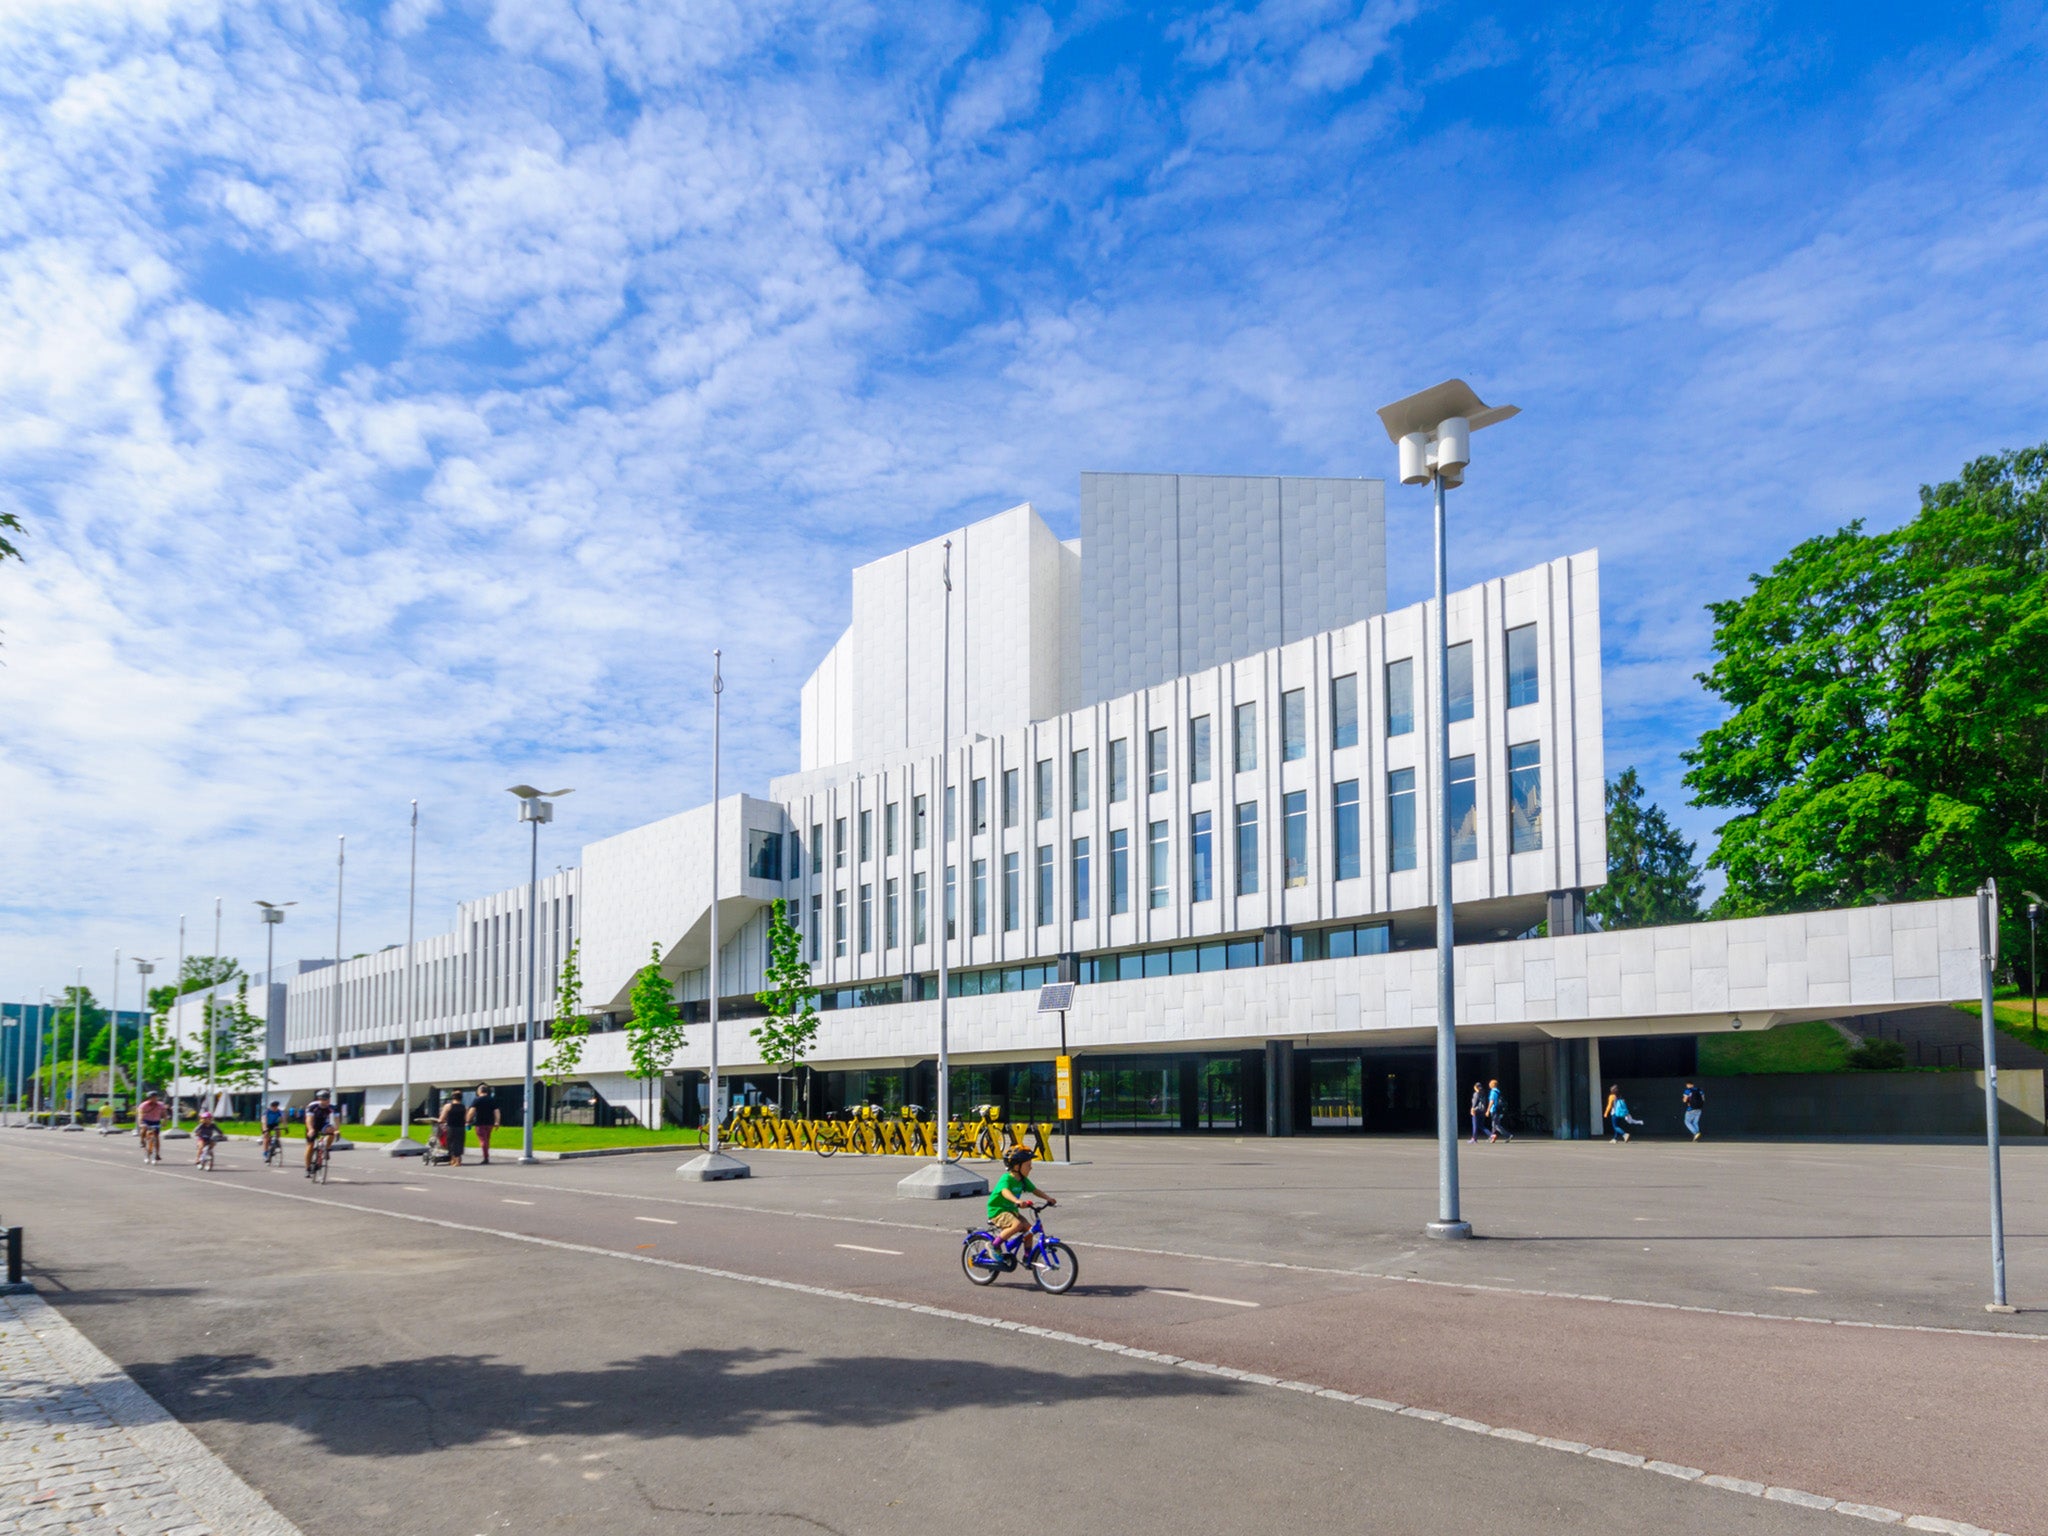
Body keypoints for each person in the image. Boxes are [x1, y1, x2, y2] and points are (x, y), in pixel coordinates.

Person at [987, 1146, 1054, 1267]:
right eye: (1028, 1165)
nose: (1031, 1168)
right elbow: (1004, 1191)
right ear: (1017, 1166)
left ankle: (1027, 1258)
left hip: (1011, 1211)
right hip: (998, 1211)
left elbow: (1035, 1190)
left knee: (1030, 1231)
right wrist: (1017, 1201)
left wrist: (1048, 1198)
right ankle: (993, 1245)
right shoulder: (1006, 1178)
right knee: (1017, 1225)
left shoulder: (1023, 1180)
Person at [304, 1089, 338, 1173]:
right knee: (310, 1146)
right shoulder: (312, 1106)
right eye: (324, 1099)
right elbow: (309, 1119)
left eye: (328, 1099)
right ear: (319, 1099)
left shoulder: (332, 1107)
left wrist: (337, 1130)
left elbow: (337, 1120)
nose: (327, 1101)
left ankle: (326, 1148)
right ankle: (307, 1168)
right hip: (312, 1124)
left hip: (323, 1124)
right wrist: (311, 1130)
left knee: (331, 1131)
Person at [468, 1084, 500, 1164]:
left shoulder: (477, 1100)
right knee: (487, 1139)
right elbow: (496, 1111)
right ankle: (486, 1154)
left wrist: (468, 1120)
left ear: (479, 1091)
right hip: (490, 1123)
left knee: (483, 1140)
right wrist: (497, 1122)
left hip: (480, 1123)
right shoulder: (492, 1100)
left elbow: (471, 1111)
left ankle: (486, 1157)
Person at [438, 1092, 468, 1166]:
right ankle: (457, 1159)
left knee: (451, 1143)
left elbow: (441, 1118)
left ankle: (454, 1160)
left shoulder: (448, 1106)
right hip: (461, 1127)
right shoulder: (465, 1107)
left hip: (451, 1127)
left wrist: (441, 1121)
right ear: (461, 1098)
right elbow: (466, 1118)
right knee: (459, 1143)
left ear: (452, 1098)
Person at [136, 1092, 166, 1162]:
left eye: (155, 1097)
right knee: (144, 1128)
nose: (155, 1099)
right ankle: (142, 1140)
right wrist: (140, 1123)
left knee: (157, 1137)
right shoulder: (143, 1105)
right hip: (146, 1120)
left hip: (156, 1121)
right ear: (149, 1098)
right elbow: (140, 1115)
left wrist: (165, 1122)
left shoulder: (160, 1105)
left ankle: (157, 1154)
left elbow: (164, 1115)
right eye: (153, 1097)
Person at [1486, 1079, 1511, 1143]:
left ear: (1492, 1085)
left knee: (1496, 1125)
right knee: (1494, 1124)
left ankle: (1508, 1135)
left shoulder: (1493, 1092)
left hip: (1494, 1109)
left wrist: (1488, 1110)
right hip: (1499, 1110)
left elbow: (1492, 1101)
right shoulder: (1498, 1091)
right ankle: (1492, 1137)